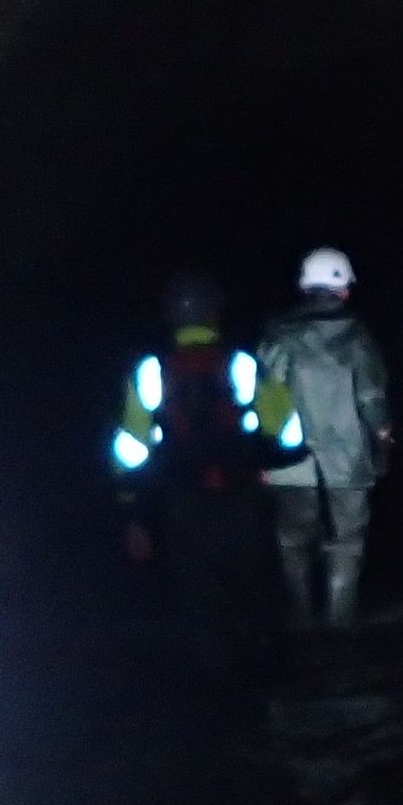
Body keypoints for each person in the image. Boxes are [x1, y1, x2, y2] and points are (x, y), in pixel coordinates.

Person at [114, 269, 279, 678]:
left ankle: (214, 689)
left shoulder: (150, 371)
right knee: (252, 588)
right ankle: (260, 683)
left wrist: (133, 512)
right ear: (214, 315)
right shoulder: (241, 363)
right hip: (241, 495)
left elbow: (132, 448)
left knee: (199, 595)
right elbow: (283, 426)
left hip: (182, 500)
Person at [256, 245, 393, 632]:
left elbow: (262, 402)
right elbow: (373, 401)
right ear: (345, 290)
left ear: (304, 287)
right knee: (347, 542)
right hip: (349, 461)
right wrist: (382, 443)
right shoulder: (359, 340)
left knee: (292, 542)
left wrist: (261, 459)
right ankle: (339, 626)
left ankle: (301, 622)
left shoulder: (276, 339)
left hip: (289, 463)